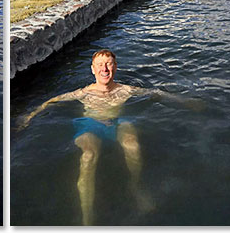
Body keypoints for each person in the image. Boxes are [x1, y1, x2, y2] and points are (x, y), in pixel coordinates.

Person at [18, 49, 199, 225]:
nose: (104, 69)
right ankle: (86, 215)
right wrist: (29, 116)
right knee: (88, 156)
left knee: (132, 144)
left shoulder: (126, 90)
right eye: (100, 65)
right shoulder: (84, 92)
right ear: (93, 69)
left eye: (109, 64)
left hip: (118, 122)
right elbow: (52, 101)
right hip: (90, 124)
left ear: (115, 66)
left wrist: (185, 102)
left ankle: (137, 187)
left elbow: (156, 93)